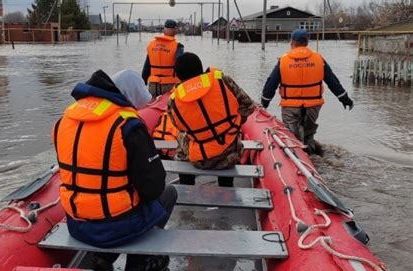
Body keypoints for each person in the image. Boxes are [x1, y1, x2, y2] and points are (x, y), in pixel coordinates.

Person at [52, 69, 177, 271]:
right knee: (168, 193)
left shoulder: (65, 120)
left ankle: (103, 256)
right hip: (118, 227)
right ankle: (140, 260)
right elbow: (153, 187)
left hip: (77, 225)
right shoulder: (128, 124)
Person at [167, 52, 256, 187]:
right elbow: (248, 106)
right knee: (229, 139)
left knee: (181, 137)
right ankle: (226, 186)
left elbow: (179, 126)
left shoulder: (174, 100)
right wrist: (234, 124)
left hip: (199, 158)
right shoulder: (223, 81)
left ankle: (186, 184)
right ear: (201, 69)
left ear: (178, 76)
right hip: (229, 155)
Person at [261, 29, 354, 155]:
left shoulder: (283, 60)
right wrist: (344, 98)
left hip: (291, 106)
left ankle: (296, 160)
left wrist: (264, 102)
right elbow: (332, 81)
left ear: (292, 42)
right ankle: (310, 156)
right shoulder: (318, 59)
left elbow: (271, 83)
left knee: (291, 135)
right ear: (307, 42)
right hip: (313, 105)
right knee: (308, 133)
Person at [142, 19, 184, 97]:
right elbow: (180, 66)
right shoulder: (177, 46)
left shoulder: (151, 45)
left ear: (164, 30)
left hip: (153, 85)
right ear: (175, 31)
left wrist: (143, 83)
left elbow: (146, 68)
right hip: (170, 85)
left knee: (153, 105)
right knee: (170, 107)